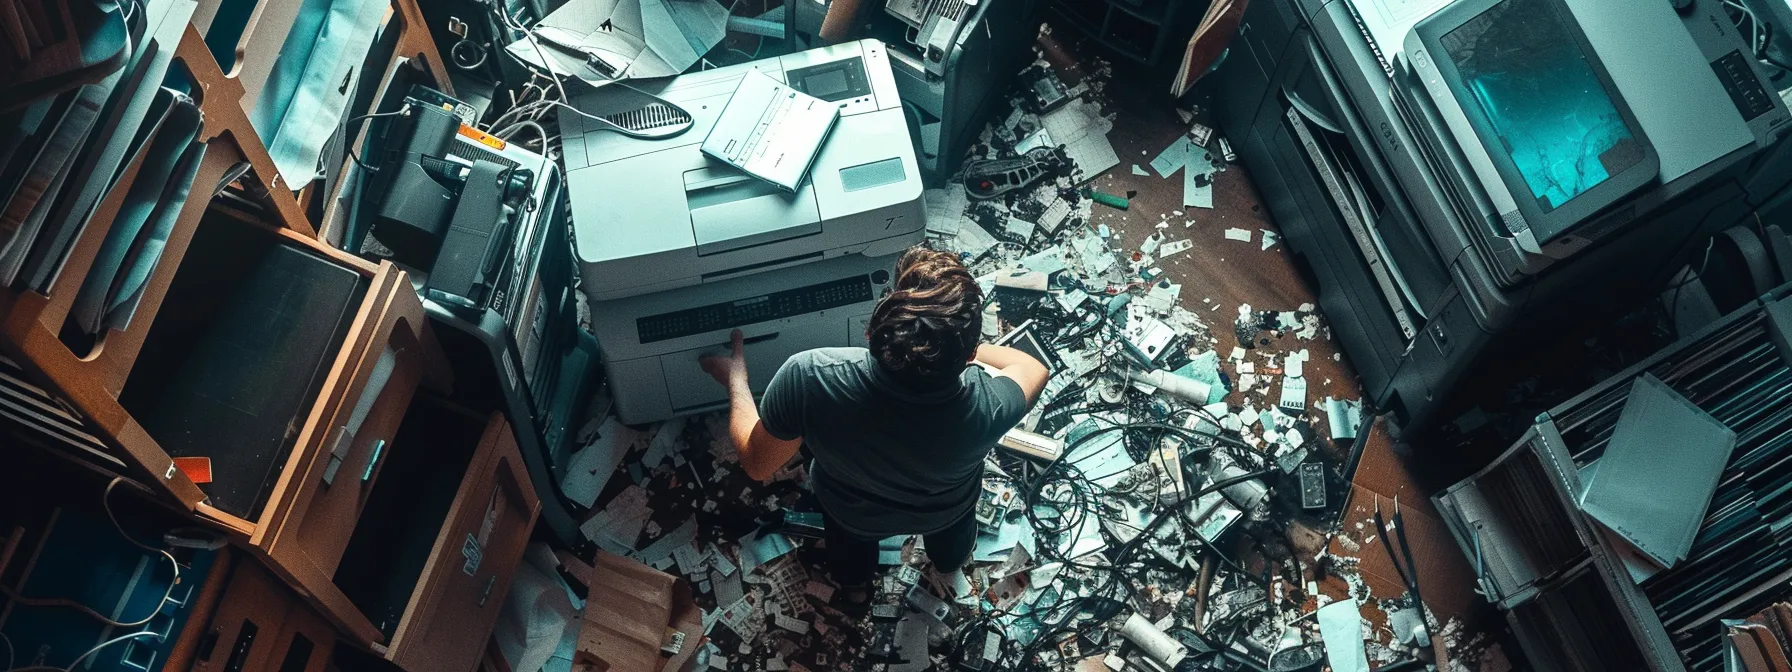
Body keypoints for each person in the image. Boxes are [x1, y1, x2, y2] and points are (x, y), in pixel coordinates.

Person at [700, 247, 1049, 600]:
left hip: (851, 514)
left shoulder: (809, 376)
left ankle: (855, 588)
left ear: (871, 333)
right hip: (944, 512)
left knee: (850, 557)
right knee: (952, 545)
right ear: (971, 353)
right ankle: (947, 567)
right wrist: (955, 344)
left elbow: (759, 465)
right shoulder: (987, 406)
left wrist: (736, 381)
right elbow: (1034, 368)